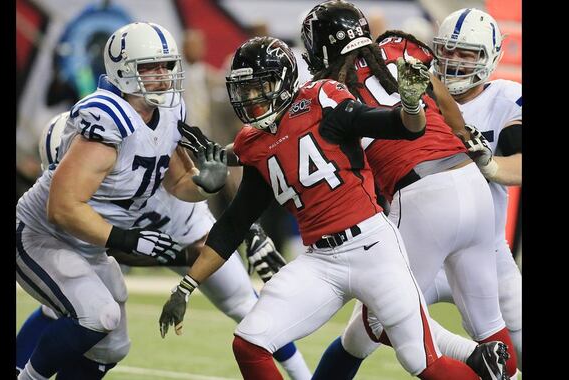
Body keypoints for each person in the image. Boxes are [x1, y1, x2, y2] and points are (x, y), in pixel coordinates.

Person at [158, 34, 493, 380]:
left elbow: (399, 128)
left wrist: (410, 106)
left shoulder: (322, 99)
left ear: (284, 80)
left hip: (373, 248)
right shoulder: (253, 142)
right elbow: (233, 224)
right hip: (321, 260)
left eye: (259, 87)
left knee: (422, 361)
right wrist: (185, 286)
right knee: (249, 343)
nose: (250, 99)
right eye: (244, 90)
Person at [300, 1, 515, 379]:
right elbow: (446, 105)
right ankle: (493, 363)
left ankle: (472, 359)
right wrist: (464, 139)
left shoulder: (323, 92)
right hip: (470, 185)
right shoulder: (398, 48)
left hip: (420, 199)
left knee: (385, 322)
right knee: (490, 332)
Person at [16, 112, 312, 379]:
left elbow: (209, 173)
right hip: (152, 243)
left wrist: (250, 232)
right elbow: (109, 245)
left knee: (246, 306)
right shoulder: (81, 189)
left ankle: (303, 375)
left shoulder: (131, 148)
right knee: (68, 307)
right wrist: (171, 253)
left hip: (194, 232)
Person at [15, 22, 229, 379]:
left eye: (166, 66)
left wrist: (205, 186)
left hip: (88, 244)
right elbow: (62, 208)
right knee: (98, 316)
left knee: (113, 345)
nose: (162, 75)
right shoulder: (108, 120)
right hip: (43, 237)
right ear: (123, 70)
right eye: (150, 67)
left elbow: (177, 183)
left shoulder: (169, 113)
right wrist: (127, 239)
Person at [428, 7, 523, 373]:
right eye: (447, 50)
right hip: (420, 247)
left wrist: (491, 165)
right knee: (368, 329)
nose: (453, 61)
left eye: (466, 53)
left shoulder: (505, 99)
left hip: (486, 250)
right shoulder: (416, 97)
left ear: (490, 58)